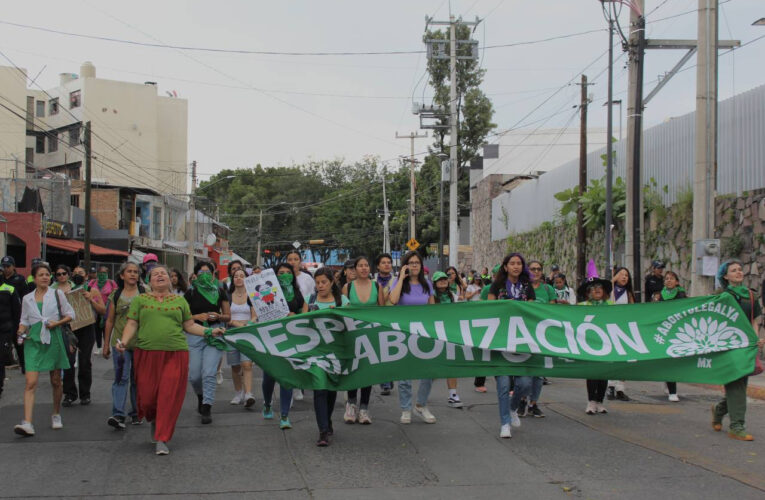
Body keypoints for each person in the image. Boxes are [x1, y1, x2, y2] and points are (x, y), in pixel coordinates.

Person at [116, 264, 224, 455]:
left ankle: (162, 437)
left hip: (175, 354)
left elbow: (189, 325)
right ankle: (155, 421)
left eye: (163, 273)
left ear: (169, 279)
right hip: (147, 354)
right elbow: (132, 323)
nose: (160, 275)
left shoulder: (180, 301)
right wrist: (123, 342)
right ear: (149, 280)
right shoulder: (140, 300)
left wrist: (209, 331)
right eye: (155, 274)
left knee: (168, 396)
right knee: (148, 399)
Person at [13, 263, 74, 437]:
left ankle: (56, 413)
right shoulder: (27, 298)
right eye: (41, 275)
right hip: (33, 340)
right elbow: (24, 320)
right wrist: (20, 333)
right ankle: (27, 423)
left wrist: (57, 323)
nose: (45, 277)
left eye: (47, 274)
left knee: (56, 380)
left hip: (53, 338)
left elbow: (71, 314)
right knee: (30, 382)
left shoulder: (57, 294)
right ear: (34, 278)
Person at [711, 260, 764, 441]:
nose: (738, 272)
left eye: (740, 269)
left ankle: (719, 410)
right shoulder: (723, 296)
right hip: (729, 346)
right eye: (733, 270)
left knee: (739, 384)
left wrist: (755, 340)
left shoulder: (750, 296)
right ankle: (737, 426)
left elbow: (754, 321)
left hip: (746, 346)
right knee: (736, 384)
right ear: (725, 276)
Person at [488, 253, 536, 438]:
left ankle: (514, 407)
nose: (516, 266)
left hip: (521, 340)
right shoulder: (496, 286)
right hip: (500, 340)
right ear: (505, 266)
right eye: (512, 263)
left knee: (525, 384)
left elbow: (532, 312)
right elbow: (489, 310)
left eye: (519, 263)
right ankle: (504, 423)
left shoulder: (527, 287)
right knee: (503, 384)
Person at [389, 251, 437, 424]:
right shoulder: (399, 283)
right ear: (406, 265)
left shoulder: (428, 285)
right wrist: (401, 277)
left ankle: (421, 405)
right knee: (405, 373)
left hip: (424, 332)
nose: (414, 265)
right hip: (404, 332)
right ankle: (405, 408)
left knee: (429, 372)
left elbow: (433, 310)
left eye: (417, 262)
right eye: (411, 262)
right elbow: (393, 300)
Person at [261, 262, 308, 429]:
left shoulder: (297, 294)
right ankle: (267, 403)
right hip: (270, 339)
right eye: (281, 272)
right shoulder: (266, 291)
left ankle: (284, 415)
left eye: (288, 272)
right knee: (269, 377)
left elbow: (304, 315)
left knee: (286, 377)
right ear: (275, 275)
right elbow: (260, 312)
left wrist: (295, 316)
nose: (285, 275)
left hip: (290, 339)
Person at [184, 261, 230, 425]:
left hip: (215, 333)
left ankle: (207, 406)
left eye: (207, 272)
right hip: (194, 333)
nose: (204, 274)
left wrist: (217, 317)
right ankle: (201, 396)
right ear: (195, 275)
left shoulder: (220, 291)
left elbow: (227, 316)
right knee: (194, 375)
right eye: (201, 272)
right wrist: (198, 317)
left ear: (213, 275)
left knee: (209, 372)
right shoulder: (189, 293)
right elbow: (185, 316)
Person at [308, 268, 349, 446]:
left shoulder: (343, 301)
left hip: (336, 353)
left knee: (331, 390)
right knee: (320, 389)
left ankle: (327, 419)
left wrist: (338, 316)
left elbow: (351, 325)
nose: (320, 286)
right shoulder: (310, 300)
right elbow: (301, 324)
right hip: (316, 352)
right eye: (317, 283)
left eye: (323, 282)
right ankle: (323, 431)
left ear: (332, 282)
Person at [102, 262, 145, 429]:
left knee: (137, 379)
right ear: (122, 275)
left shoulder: (145, 293)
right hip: (120, 343)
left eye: (136, 272)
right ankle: (118, 414)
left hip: (141, 343)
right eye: (129, 272)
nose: (133, 274)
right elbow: (110, 320)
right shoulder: (116, 294)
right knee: (121, 377)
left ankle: (136, 413)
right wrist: (106, 344)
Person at [342, 256, 383, 424]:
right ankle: (351, 405)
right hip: (353, 334)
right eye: (360, 266)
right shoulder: (348, 287)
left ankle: (364, 408)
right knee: (354, 369)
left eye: (367, 265)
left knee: (368, 370)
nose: (364, 268)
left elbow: (383, 311)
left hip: (372, 334)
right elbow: (342, 312)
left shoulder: (377, 286)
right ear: (355, 269)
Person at [62, 265, 105, 407]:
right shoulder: (65, 291)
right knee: (68, 361)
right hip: (71, 328)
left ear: (86, 276)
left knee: (85, 361)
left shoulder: (92, 291)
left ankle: (85, 394)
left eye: (80, 273)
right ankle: (69, 394)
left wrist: (91, 300)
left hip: (87, 328)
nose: (77, 275)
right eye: (74, 273)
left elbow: (103, 310)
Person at [578, 261, 613, 415]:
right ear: (588, 292)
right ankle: (591, 401)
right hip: (589, 343)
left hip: (607, 343)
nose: (597, 290)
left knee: (603, 373)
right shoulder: (582, 306)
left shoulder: (611, 305)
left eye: (599, 287)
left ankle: (600, 401)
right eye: (593, 288)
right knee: (592, 373)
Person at [522, 259, 553, 417]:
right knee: (524, 372)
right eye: (532, 269)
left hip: (542, 336)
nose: (535, 271)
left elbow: (554, 311)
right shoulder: (523, 288)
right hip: (525, 335)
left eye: (538, 269)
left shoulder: (548, 289)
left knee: (538, 374)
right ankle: (522, 399)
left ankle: (533, 403)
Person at [432, 271, 464, 409]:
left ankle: (453, 395)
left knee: (452, 365)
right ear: (434, 282)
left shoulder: (454, 296)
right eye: (439, 279)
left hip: (451, 334)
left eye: (445, 279)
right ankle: (423, 393)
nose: (443, 281)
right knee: (432, 368)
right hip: (435, 334)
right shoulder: (431, 296)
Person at [227, 268, 257, 408]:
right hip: (232, 332)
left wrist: (248, 324)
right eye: (236, 276)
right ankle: (238, 393)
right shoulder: (227, 296)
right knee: (235, 366)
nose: (239, 278)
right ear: (232, 279)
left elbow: (255, 316)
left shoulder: (252, 295)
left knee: (247, 364)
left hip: (247, 332)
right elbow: (226, 316)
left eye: (242, 276)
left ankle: (248, 394)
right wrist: (235, 323)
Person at [656, 270, 687, 402]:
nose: (668, 280)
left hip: (677, 330)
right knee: (668, 360)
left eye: (671, 278)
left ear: (677, 282)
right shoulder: (660, 296)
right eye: (666, 278)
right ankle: (672, 391)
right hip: (664, 331)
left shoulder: (681, 295)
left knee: (674, 360)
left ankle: (669, 383)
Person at [607, 267, 636, 402]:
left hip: (624, 329)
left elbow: (633, 311)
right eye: (621, 274)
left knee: (624, 358)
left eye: (627, 275)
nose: (624, 277)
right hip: (609, 329)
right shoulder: (609, 290)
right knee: (611, 358)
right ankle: (610, 385)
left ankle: (620, 388)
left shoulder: (629, 293)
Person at [374, 253, 396, 394]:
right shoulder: (372, 282)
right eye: (383, 262)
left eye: (389, 262)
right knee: (381, 351)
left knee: (392, 350)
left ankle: (388, 377)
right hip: (377, 319)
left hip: (393, 318)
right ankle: (385, 382)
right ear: (378, 266)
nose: (387, 264)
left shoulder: (397, 280)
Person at [0, 271, 21, 399]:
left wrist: (14, 329)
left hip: (5, 330)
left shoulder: (10, 289)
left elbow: (17, 311)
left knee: (1, 358)